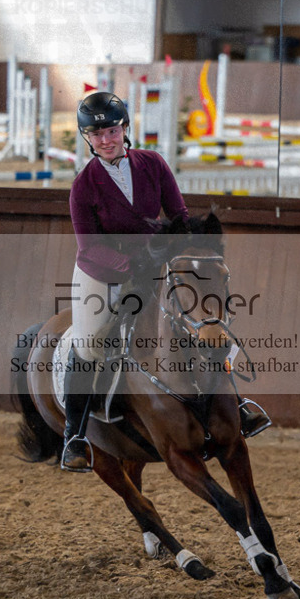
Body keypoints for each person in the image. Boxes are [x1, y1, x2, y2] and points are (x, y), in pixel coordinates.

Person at [62, 91, 270, 471]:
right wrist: (132, 265)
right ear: (86, 138)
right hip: (103, 272)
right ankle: (74, 436)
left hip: (158, 265)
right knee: (89, 342)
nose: (105, 139)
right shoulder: (83, 186)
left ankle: (237, 404)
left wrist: (182, 257)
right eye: (96, 134)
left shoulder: (153, 164)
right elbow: (89, 248)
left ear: (124, 129)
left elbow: (180, 216)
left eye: (110, 130)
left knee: (209, 324)